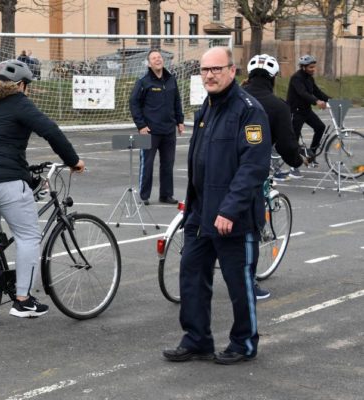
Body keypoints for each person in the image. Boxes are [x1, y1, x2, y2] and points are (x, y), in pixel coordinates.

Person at [162, 47, 271, 365]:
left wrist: (229, 209)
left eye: (216, 69)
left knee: (238, 283)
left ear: (232, 71)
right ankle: (197, 339)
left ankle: (243, 343)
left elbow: (254, 166)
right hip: (200, 214)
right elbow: (200, 163)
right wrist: (190, 208)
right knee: (191, 275)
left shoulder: (250, 111)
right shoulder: (205, 109)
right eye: (204, 70)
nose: (209, 75)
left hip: (233, 218)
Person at [0, 59, 85, 318]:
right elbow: (50, 131)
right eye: (27, 86)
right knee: (28, 237)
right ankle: (24, 299)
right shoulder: (17, 101)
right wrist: (73, 161)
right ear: (20, 85)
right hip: (6, 181)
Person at [242, 54, 309, 300]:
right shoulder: (277, 106)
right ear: (273, 78)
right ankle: (248, 282)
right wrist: (298, 160)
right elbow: (286, 146)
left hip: (212, 165)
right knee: (252, 224)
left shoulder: (231, 97)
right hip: (249, 171)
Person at [129, 48, 185, 206]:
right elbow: (134, 103)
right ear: (149, 63)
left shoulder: (171, 79)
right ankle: (144, 196)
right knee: (147, 165)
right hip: (149, 132)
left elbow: (177, 101)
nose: (157, 60)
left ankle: (166, 195)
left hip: (168, 131)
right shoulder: (143, 81)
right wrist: (141, 126)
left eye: (159, 57)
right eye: (154, 58)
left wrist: (180, 121)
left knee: (168, 164)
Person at [286, 54, 330, 177]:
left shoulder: (309, 78)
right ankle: (293, 167)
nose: (313, 69)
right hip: (295, 111)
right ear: (303, 67)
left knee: (320, 127)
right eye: (311, 67)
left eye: (314, 67)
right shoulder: (296, 78)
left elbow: (317, 91)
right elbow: (303, 93)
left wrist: (330, 100)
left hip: (306, 110)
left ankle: (311, 156)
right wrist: (316, 101)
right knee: (294, 139)